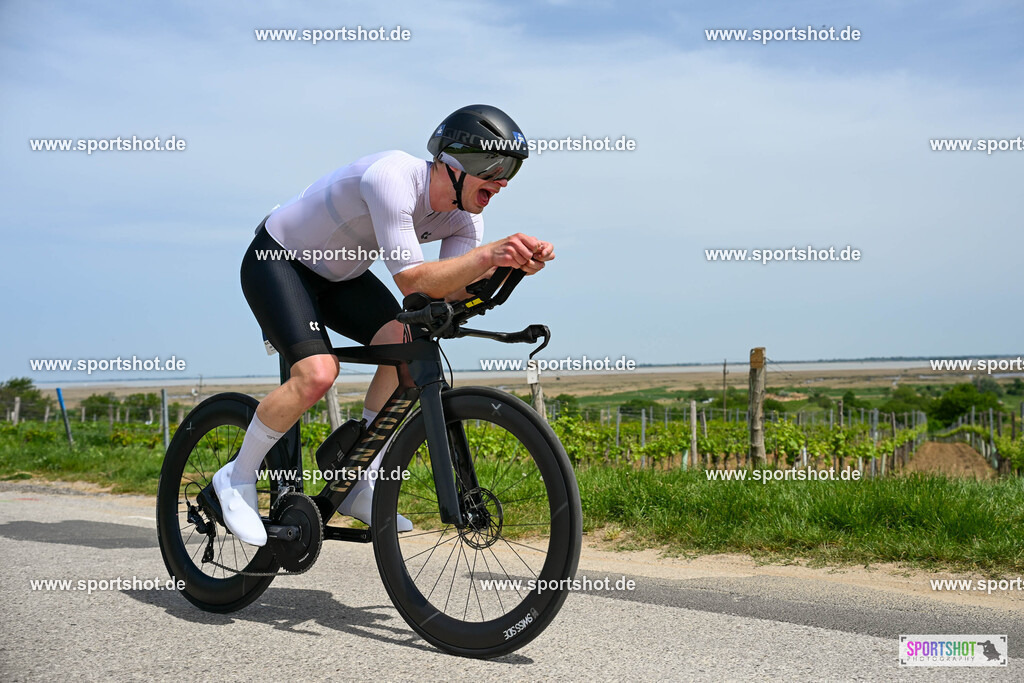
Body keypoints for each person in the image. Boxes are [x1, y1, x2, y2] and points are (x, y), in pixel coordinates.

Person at [212, 104, 555, 546]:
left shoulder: (466, 219)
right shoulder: (393, 178)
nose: (503, 179)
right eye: (494, 165)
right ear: (453, 161)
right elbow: (412, 279)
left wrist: (506, 270)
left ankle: (357, 476)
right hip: (279, 261)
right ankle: (236, 478)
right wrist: (489, 255)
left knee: (404, 348)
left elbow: (440, 292)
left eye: (511, 169)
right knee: (318, 373)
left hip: (343, 276)